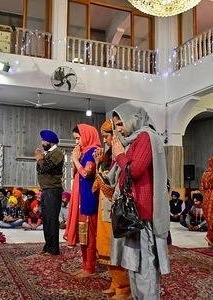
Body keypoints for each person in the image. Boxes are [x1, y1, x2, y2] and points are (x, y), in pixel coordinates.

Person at [108, 103, 170, 299]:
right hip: (134, 211)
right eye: (116, 125)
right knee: (135, 267)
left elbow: (134, 171)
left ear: (133, 119)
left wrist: (119, 155)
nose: (118, 129)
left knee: (145, 268)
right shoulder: (133, 140)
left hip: (142, 212)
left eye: (120, 124)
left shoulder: (145, 137)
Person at [92, 119, 131, 299]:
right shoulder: (111, 155)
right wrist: (100, 164)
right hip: (105, 205)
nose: (105, 141)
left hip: (115, 206)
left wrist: (99, 167)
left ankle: (124, 288)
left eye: (107, 136)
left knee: (113, 246)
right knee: (106, 245)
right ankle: (115, 283)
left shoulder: (123, 153)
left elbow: (111, 183)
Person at [64, 124, 101, 278]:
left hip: (89, 199)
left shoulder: (94, 151)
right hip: (81, 197)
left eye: (78, 138)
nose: (77, 142)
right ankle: (85, 265)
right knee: (83, 235)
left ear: (87, 135)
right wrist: (75, 161)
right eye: (75, 139)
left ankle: (90, 267)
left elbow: (86, 173)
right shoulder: (84, 152)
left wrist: (75, 159)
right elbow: (76, 175)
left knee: (90, 235)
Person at [35, 129, 64, 255]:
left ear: (50, 142)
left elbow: (46, 168)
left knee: (52, 220)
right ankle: (48, 246)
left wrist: (40, 159)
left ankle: (54, 249)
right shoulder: (48, 154)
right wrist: (40, 159)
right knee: (46, 219)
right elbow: (40, 169)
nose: (42, 142)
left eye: (44, 140)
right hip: (46, 190)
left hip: (53, 190)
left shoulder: (57, 153)